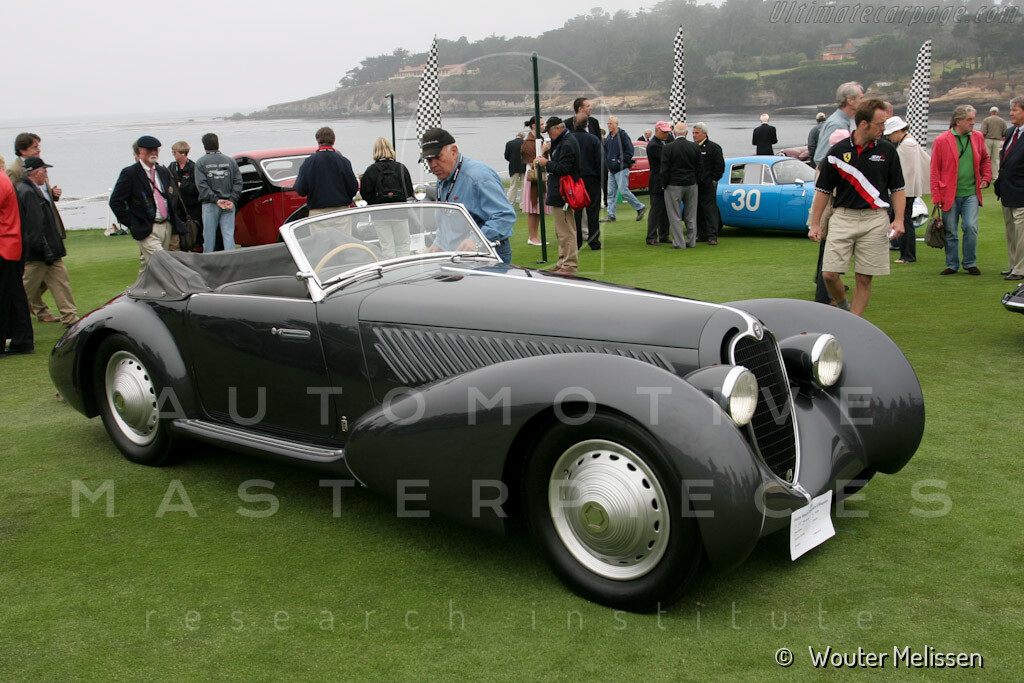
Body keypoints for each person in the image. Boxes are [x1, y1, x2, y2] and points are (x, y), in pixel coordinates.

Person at [808, 99, 905, 317]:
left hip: (875, 218)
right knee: (829, 274)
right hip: (843, 217)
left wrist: (899, 219)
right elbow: (823, 190)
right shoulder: (837, 151)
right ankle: (844, 307)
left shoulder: (888, 151)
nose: (883, 128)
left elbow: (898, 188)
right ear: (863, 124)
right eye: (880, 124)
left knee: (864, 278)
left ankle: (854, 322)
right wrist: (815, 224)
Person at [421, 128, 515, 263]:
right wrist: (438, 243)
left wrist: (476, 240)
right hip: (457, 255)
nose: (433, 165)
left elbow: (505, 216)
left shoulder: (479, 177)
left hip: (487, 254)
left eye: (437, 157)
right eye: (429, 160)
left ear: (454, 151)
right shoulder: (442, 179)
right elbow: (446, 219)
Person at [15, 157, 78, 328]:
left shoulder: (32, 189)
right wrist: (45, 249)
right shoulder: (28, 192)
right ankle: (9, 320)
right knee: (24, 289)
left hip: (49, 249)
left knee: (61, 283)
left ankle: (71, 318)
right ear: (36, 173)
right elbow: (35, 225)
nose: (46, 174)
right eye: (44, 171)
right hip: (40, 253)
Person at [110, 135, 186, 275]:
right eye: (149, 150)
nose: (153, 153)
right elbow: (116, 202)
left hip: (166, 225)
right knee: (163, 262)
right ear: (140, 151)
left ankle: (139, 288)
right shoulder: (130, 173)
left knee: (149, 267)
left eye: (156, 150)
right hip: (146, 227)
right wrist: (133, 223)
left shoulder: (163, 171)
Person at [930, 104, 992, 275]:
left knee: (970, 227)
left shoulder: (978, 137)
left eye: (973, 119)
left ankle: (970, 262)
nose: (973, 122)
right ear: (958, 121)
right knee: (950, 231)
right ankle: (952, 264)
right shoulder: (941, 140)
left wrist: (986, 177)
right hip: (948, 193)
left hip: (971, 192)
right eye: (969, 119)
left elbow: (985, 159)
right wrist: (936, 195)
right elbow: (935, 169)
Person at [535, 117, 581, 274]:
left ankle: (569, 265)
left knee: (566, 231)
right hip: (560, 191)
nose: (549, 135)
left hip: (564, 193)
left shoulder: (567, 143)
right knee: (561, 231)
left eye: (549, 132)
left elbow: (564, 168)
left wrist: (546, 163)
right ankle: (562, 262)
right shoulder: (563, 141)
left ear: (558, 129)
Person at [884, 116, 930, 264]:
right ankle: (903, 251)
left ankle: (907, 255)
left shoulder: (907, 145)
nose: (888, 137)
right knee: (902, 219)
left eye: (890, 134)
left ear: (897, 131)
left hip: (905, 190)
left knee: (904, 220)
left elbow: (906, 171)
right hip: (906, 189)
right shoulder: (909, 142)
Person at [360, 137, 414, 259]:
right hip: (400, 213)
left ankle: (391, 268)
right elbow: (409, 191)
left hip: (380, 215)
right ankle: (404, 267)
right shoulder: (401, 168)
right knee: (403, 245)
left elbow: (365, 193)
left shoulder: (371, 170)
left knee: (387, 247)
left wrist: (375, 202)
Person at [0, 171, 33, 357]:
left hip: (4, 245)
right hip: (10, 244)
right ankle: (23, 340)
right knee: (14, 296)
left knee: (6, 296)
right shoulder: (4, 179)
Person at [294, 126, 358, 218]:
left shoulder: (309, 162)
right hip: (341, 212)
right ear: (333, 141)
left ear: (318, 141)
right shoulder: (344, 162)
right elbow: (353, 189)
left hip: (318, 213)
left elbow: (301, 190)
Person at [195, 133, 242, 252]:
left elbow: (201, 185)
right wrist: (232, 199)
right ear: (218, 143)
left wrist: (216, 200)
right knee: (228, 236)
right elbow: (238, 182)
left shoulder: (201, 162)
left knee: (209, 237)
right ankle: (231, 259)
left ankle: (208, 260)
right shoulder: (230, 161)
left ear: (204, 146)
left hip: (211, 204)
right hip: (229, 203)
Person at [995, 96, 1024, 281]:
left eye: (1015, 110)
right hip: (1007, 189)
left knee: (1021, 232)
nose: (1011, 113)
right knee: (1011, 231)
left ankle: (1021, 269)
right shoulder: (1011, 131)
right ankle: (1014, 264)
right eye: (1011, 109)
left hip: (1021, 190)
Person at [661, 122, 703, 249]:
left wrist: (664, 184)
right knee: (691, 214)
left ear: (674, 133)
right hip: (691, 184)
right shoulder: (695, 147)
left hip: (673, 184)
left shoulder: (668, 148)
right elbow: (700, 167)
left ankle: (679, 243)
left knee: (674, 215)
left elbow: (664, 169)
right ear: (686, 133)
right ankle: (691, 241)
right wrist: (697, 181)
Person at [602, 116, 646, 222]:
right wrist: (608, 162)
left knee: (624, 191)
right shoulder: (609, 137)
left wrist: (620, 160)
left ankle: (640, 207)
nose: (609, 125)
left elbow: (630, 150)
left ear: (616, 124)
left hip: (621, 169)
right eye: (608, 123)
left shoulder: (623, 135)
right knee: (611, 193)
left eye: (611, 123)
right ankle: (611, 215)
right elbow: (606, 151)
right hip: (612, 170)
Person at [814, 82, 864, 167]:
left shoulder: (841, 121)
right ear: (850, 101)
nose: (862, 102)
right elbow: (820, 158)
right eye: (860, 98)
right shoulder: (836, 125)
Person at [570, 119, 603, 251]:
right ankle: (594, 241)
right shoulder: (593, 139)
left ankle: (577, 241)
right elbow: (600, 161)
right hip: (591, 178)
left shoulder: (569, 139)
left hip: (575, 179)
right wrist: (601, 178)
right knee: (593, 211)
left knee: (576, 211)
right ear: (586, 125)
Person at [692, 122, 725, 245]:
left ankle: (712, 236)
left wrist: (713, 180)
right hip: (695, 184)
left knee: (710, 210)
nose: (694, 135)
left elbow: (720, 166)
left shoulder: (713, 147)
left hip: (708, 185)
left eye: (697, 133)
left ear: (704, 134)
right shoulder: (693, 147)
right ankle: (702, 234)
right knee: (698, 210)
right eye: (693, 133)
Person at [167, 141, 202, 251]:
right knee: (180, 237)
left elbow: (197, 188)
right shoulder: (172, 166)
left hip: (192, 207)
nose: (173, 154)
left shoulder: (193, 167)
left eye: (175, 152)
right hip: (178, 207)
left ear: (183, 153)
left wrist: (181, 185)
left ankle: (197, 252)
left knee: (195, 234)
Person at [520, 117, 550, 246]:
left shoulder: (540, 140)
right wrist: (542, 151)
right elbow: (532, 163)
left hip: (541, 176)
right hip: (532, 178)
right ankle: (532, 236)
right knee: (533, 208)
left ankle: (535, 236)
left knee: (538, 208)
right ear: (534, 125)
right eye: (541, 124)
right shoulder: (528, 143)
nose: (543, 126)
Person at [645, 121, 672, 246]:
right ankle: (651, 237)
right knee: (656, 210)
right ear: (657, 131)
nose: (666, 134)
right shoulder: (654, 145)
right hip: (657, 181)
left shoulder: (665, 142)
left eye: (667, 132)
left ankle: (664, 235)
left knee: (665, 210)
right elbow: (666, 159)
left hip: (665, 180)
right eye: (664, 132)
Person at [981, 106, 1007, 181]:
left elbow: (983, 132)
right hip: (998, 141)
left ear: (990, 112)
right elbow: (1005, 132)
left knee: (986, 158)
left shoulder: (986, 120)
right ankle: (995, 176)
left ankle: (985, 175)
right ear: (997, 112)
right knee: (995, 159)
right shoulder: (1002, 121)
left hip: (987, 140)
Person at [504, 132, 526, 205]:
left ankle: (511, 202)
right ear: (523, 137)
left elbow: (506, 156)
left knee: (513, 185)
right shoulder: (525, 143)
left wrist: (512, 160)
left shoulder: (509, 143)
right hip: (523, 166)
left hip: (513, 166)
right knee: (524, 186)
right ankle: (522, 204)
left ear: (516, 136)